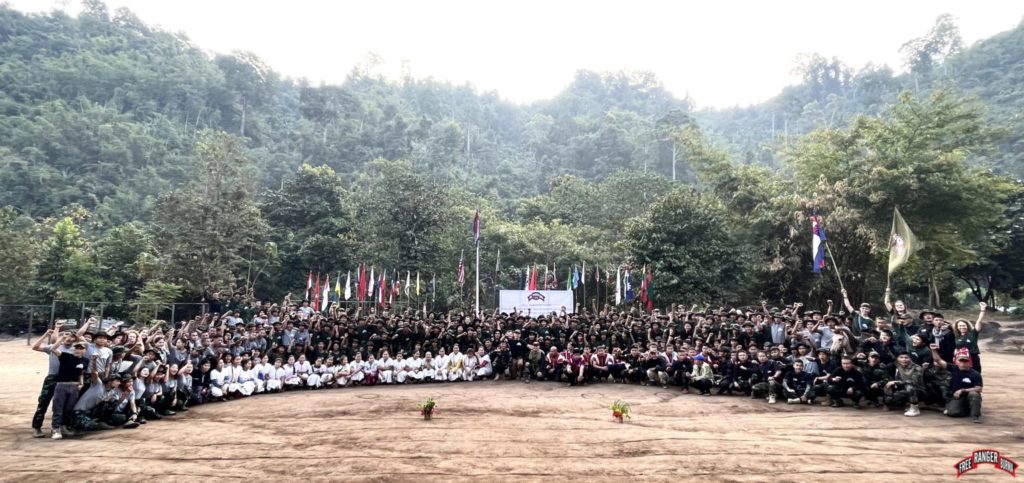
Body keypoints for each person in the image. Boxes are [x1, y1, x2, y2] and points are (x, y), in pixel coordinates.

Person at [49, 340, 89, 439]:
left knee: (68, 408)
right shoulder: (66, 356)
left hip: (74, 386)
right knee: (58, 408)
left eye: (81, 348)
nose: (78, 350)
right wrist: (62, 338)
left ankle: (63, 427)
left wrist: (81, 383)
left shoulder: (85, 360)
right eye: (76, 348)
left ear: (85, 350)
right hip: (62, 385)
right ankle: (55, 429)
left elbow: (81, 372)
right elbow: (53, 349)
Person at [940, 353, 984, 423]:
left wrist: (963, 390)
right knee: (952, 413)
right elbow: (938, 360)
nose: (963, 363)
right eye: (961, 361)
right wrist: (933, 350)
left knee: (974, 394)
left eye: (965, 361)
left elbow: (979, 388)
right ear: (957, 362)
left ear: (969, 362)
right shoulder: (954, 368)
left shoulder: (975, 374)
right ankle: (967, 409)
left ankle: (975, 416)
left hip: (969, 395)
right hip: (958, 397)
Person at [885, 352, 924, 416]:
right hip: (903, 389)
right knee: (890, 399)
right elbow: (889, 353)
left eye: (906, 358)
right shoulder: (897, 364)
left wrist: (895, 382)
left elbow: (913, 381)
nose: (904, 359)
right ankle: (906, 404)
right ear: (897, 359)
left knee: (909, 386)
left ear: (910, 359)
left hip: (918, 390)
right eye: (901, 357)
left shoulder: (917, 367)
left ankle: (915, 408)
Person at [951, 302, 987, 373]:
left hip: (973, 358)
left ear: (967, 326)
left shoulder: (973, 333)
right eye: (960, 326)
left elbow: (979, 321)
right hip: (960, 359)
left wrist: (983, 310)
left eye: (964, 325)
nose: (962, 327)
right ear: (957, 327)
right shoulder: (955, 336)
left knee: (974, 375)